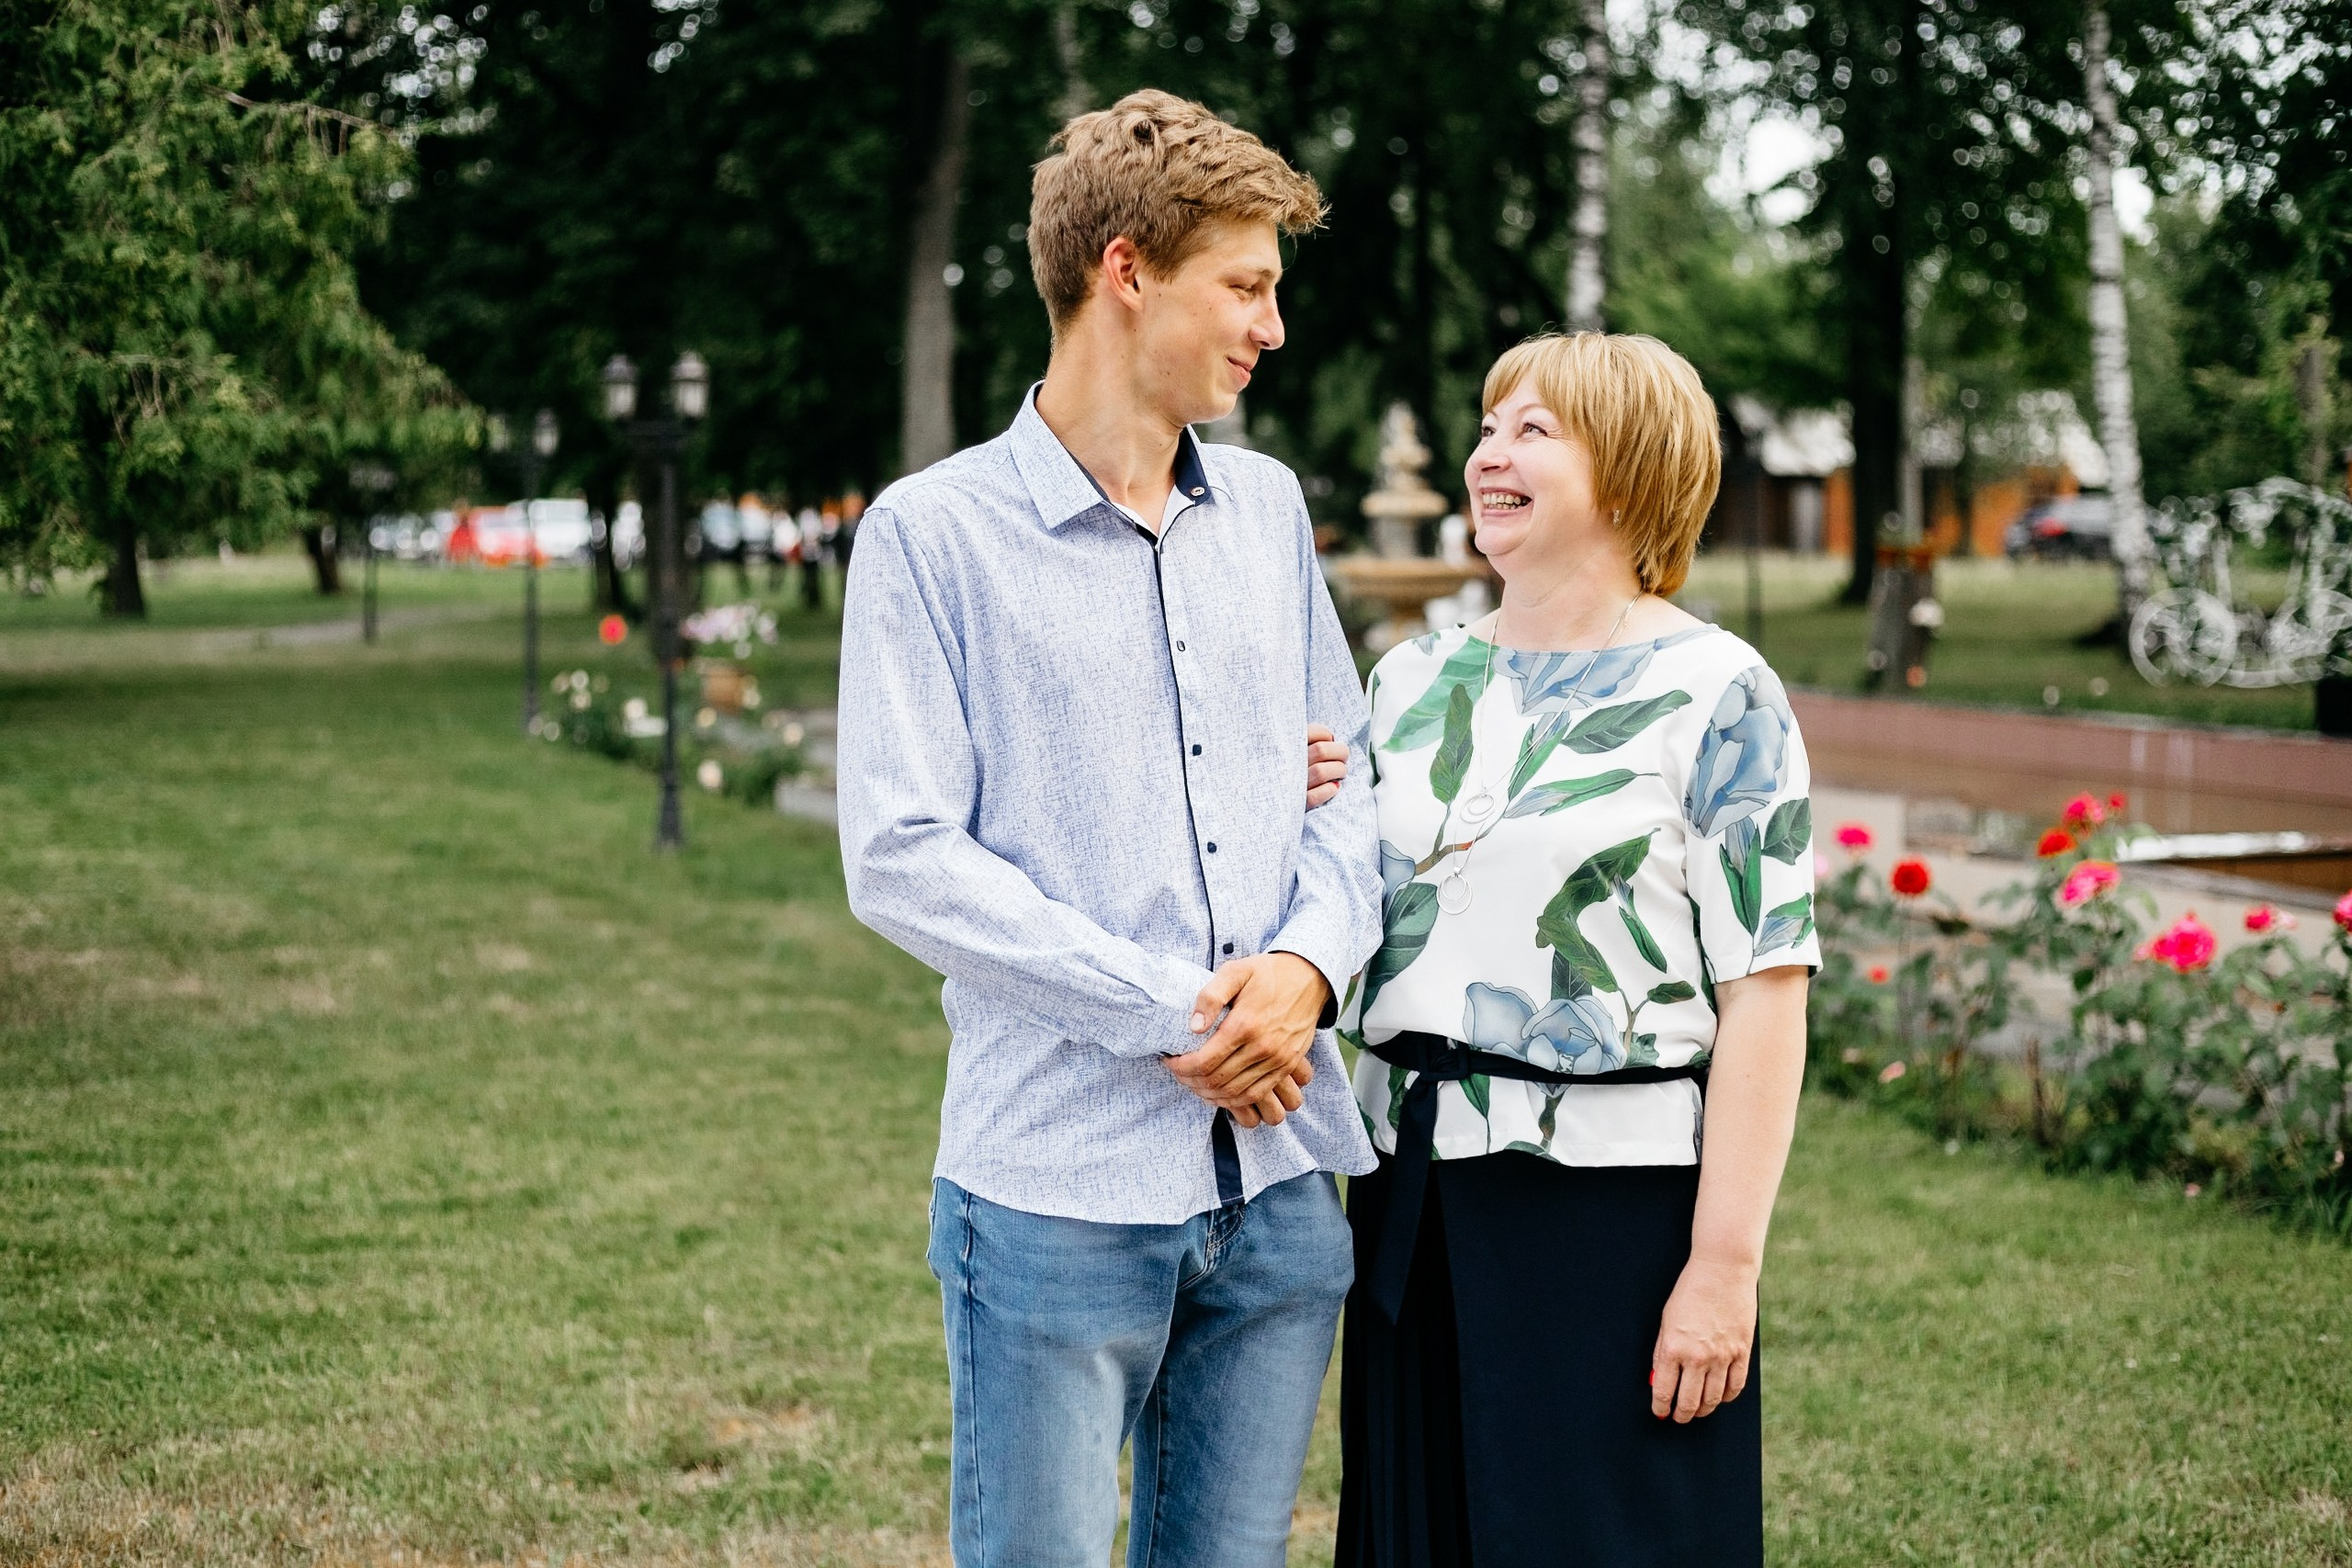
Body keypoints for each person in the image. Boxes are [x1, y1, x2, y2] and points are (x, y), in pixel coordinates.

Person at [836, 91, 1379, 1568]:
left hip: (1275, 1192)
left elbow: (1356, 776)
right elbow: (900, 852)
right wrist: (1181, 1015)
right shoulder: (930, 537)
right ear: (1127, 271)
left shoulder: (1267, 512)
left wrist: (1309, 975)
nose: (1273, 327)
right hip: (1056, 1198)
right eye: (1248, 287)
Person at [1336, 331, 1816, 1567]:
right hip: (1411, 1201)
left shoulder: (1722, 691)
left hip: (1614, 1218)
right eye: (1489, 425)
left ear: (1632, 468)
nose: (1490, 452)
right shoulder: (1408, 680)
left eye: (1534, 430)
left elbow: (1766, 993)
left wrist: (1724, 1268)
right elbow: (1342, 910)